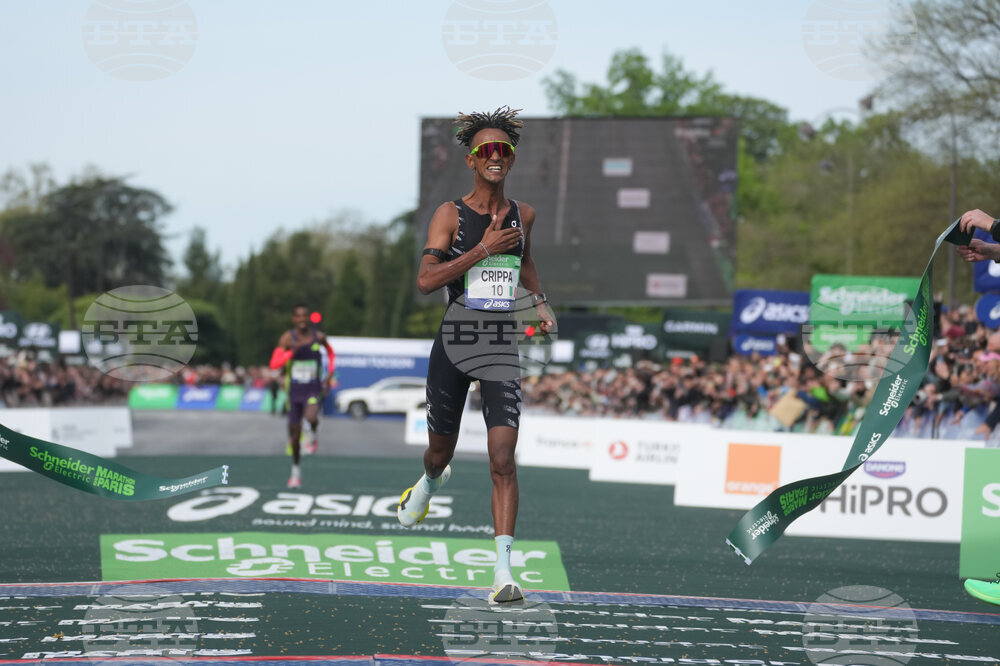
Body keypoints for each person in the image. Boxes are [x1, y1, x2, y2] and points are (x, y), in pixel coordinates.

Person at [396, 107, 554, 604]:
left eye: (503, 149)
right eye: (486, 150)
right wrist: (481, 251)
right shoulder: (450, 214)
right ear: (471, 159)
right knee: (440, 452)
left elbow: (525, 263)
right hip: (455, 341)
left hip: (501, 345)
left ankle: (503, 573)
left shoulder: (523, 214)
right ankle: (428, 480)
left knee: (503, 458)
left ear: (511, 157)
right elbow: (425, 282)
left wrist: (542, 302)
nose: (495, 157)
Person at [269, 304, 336, 488]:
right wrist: (292, 351)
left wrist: (329, 376)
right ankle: (296, 472)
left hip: (313, 387)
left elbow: (331, 354)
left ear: (309, 318)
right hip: (295, 391)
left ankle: (313, 432)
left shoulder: (319, 337)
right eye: (298, 316)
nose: (302, 320)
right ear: (293, 319)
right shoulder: (287, 338)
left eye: (305, 316)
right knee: (295, 436)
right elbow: (274, 363)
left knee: (311, 417)